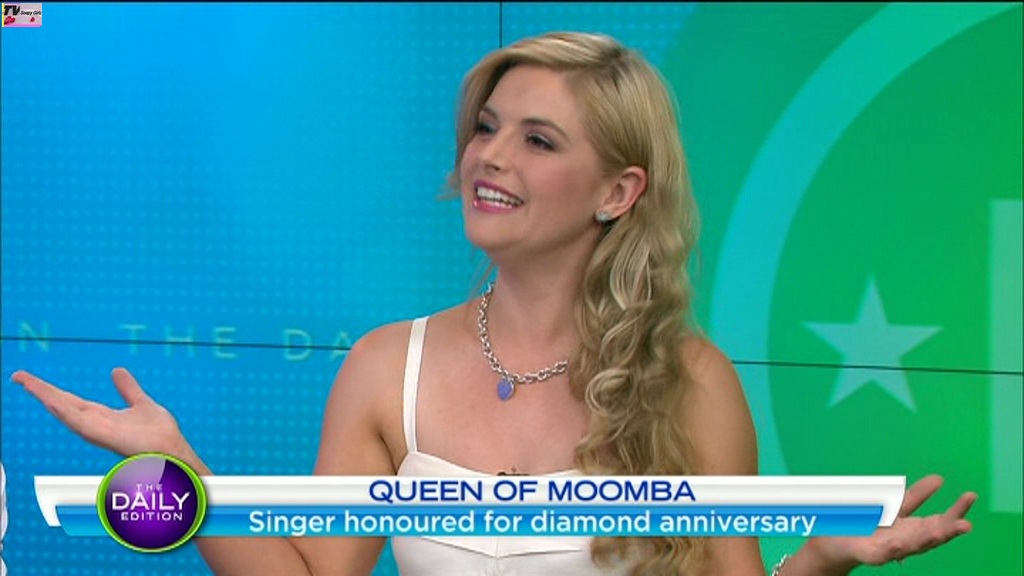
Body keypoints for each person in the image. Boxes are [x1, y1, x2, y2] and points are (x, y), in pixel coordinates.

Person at [11, 32, 975, 575]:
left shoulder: (689, 380)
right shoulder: (386, 367)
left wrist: (820, 562)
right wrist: (175, 468)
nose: (490, 157)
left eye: (538, 141)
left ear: (619, 192)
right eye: (486, 127)